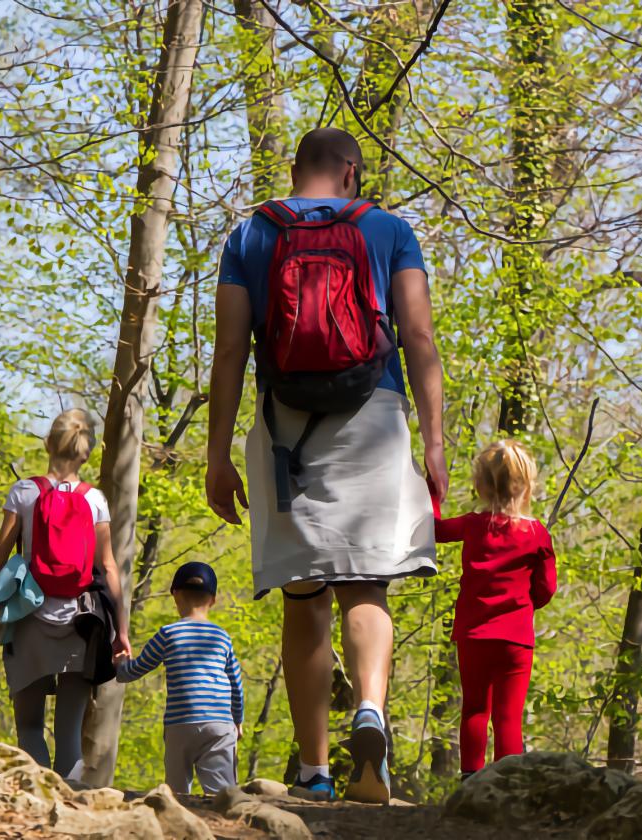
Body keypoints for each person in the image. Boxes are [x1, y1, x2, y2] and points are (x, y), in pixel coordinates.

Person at [206, 127, 446, 803]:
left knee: (304, 599)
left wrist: (218, 453)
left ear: (294, 169)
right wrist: (433, 442)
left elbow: (229, 351)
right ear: (350, 171)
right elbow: (419, 336)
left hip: (288, 432)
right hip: (373, 416)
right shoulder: (389, 230)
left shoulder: (252, 234)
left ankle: (313, 772)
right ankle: (369, 711)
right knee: (367, 589)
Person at [0, 408, 132, 780]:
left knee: (30, 728)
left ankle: (38, 807)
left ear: (48, 444)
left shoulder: (24, 493)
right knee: (69, 735)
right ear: (87, 453)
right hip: (82, 625)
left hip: (27, 621)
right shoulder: (95, 499)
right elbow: (109, 568)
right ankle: (71, 815)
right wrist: (122, 634)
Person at [434, 440, 557, 778]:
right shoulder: (537, 534)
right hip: (516, 641)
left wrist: (432, 491)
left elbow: (434, 530)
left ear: (481, 485)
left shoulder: (472, 525)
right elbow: (547, 588)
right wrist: (524, 608)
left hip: (474, 635)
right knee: (508, 716)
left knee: (475, 709)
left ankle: (470, 777)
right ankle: (508, 782)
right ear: (528, 486)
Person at [115, 562, 245, 795]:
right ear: (213, 600)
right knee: (222, 794)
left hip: (179, 724)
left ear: (175, 595)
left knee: (176, 793)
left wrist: (120, 664)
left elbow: (136, 670)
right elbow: (236, 684)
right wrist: (238, 719)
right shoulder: (222, 637)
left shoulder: (168, 633)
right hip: (219, 723)